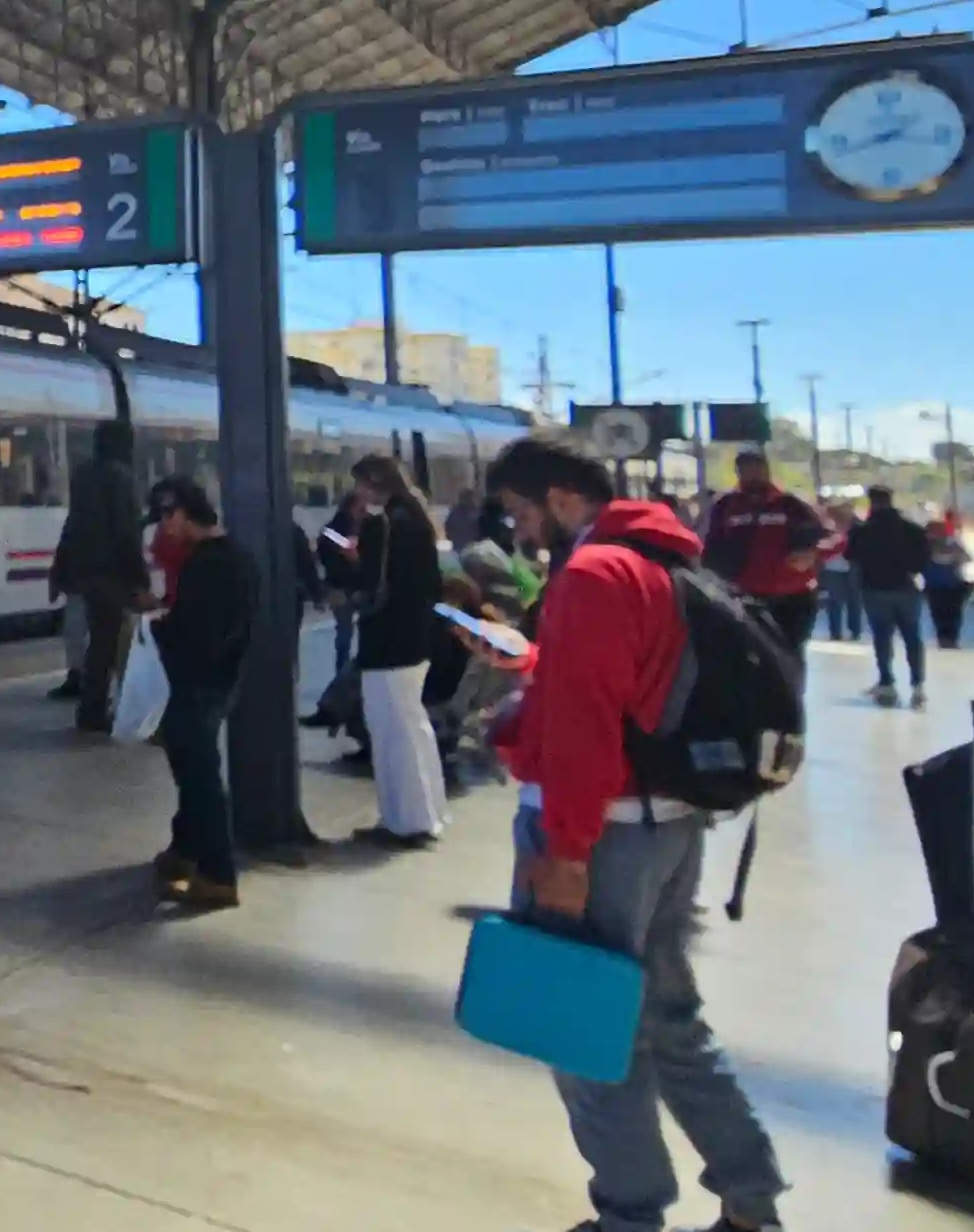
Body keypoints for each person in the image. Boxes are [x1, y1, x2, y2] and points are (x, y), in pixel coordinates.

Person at [481, 435, 789, 1232]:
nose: (519, 532)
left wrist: (566, 850)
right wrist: (530, 669)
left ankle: (629, 1214)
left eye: (520, 512)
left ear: (558, 497)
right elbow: (623, 688)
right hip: (670, 823)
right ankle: (751, 1199)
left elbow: (586, 727)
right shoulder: (663, 561)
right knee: (667, 1019)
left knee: (583, 1030)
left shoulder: (591, 573)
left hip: (606, 831)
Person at [142, 477, 255, 911]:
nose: (164, 528)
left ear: (183, 512)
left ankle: (216, 874)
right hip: (221, 680)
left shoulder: (207, 566)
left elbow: (197, 634)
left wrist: (160, 628)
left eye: (166, 517)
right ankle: (183, 853)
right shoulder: (237, 559)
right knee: (193, 768)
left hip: (199, 683)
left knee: (200, 778)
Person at [348, 454, 450, 846]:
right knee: (412, 727)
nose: (356, 493)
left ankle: (403, 821)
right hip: (415, 640)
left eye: (360, 483)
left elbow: (371, 582)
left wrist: (351, 570)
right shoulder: (417, 520)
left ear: (374, 483)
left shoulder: (384, 525)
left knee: (391, 730)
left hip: (387, 641)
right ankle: (426, 812)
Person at [698, 452, 826, 672]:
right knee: (747, 661)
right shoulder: (725, 506)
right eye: (746, 470)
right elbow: (706, 546)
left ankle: (790, 702)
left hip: (793, 598)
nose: (753, 475)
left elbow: (829, 537)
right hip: (744, 598)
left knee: (790, 657)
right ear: (738, 473)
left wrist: (813, 554)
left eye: (757, 468)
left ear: (767, 470)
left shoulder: (791, 505)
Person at [49, 455, 147, 712]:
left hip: (87, 577)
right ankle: (110, 703)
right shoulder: (121, 483)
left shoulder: (83, 497)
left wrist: (57, 576)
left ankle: (91, 702)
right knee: (112, 642)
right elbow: (128, 537)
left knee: (96, 642)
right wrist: (139, 579)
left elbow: (68, 536)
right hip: (112, 578)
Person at [848, 485, 934, 707]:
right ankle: (918, 687)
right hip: (906, 588)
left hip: (875, 589)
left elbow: (851, 556)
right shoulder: (912, 529)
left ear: (871, 501)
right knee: (912, 638)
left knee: (882, 637)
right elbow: (925, 558)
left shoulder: (863, 530)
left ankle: (887, 684)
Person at [925, 511, 974, 650]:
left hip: (953, 585)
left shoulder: (953, 543)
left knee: (953, 613)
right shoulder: (926, 545)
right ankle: (944, 638)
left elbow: (967, 558)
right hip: (936, 586)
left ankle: (950, 638)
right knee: (940, 613)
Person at [815, 501, 862, 644]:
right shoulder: (826, 527)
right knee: (834, 602)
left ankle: (855, 631)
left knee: (854, 601)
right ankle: (835, 632)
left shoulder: (858, 527)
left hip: (852, 567)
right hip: (832, 568)